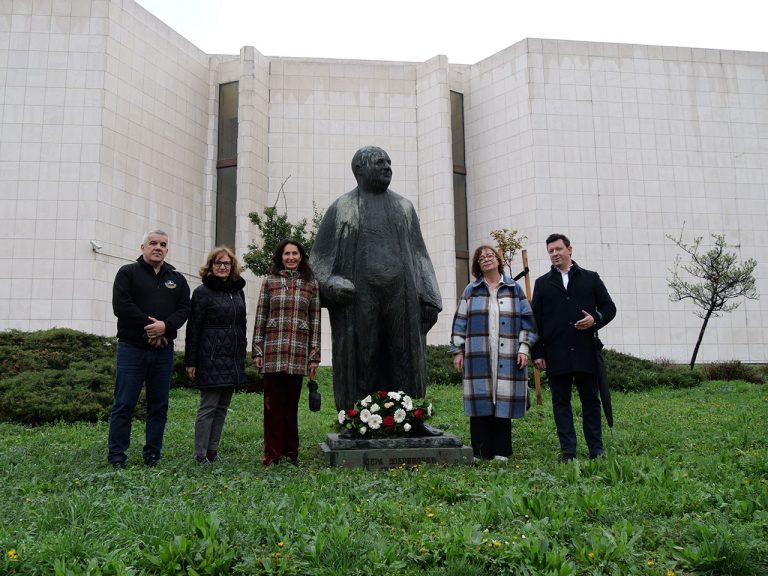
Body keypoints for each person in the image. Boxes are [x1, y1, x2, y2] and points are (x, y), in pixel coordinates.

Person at [309, 145, 442, 411]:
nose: (387, 167)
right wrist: (331, 284)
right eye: (380, 162)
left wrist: (430, 296)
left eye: (389, 162)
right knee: (364, 359)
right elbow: (317, 262)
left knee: (403, 357)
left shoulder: (404, 207)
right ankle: (358, 417)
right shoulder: (341, 208)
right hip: (359, 298)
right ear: (359, 169)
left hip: (401, 296)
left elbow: (419, 253)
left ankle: (408, 416)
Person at [108, 230, 191, 468]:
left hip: (163, 352)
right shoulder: (127, 273)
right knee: (124, 403)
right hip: (132, 349)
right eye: (153, 243)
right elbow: (121, 306)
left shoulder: (177, 279)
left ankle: (152, 454)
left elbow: (184, 309)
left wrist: (166, 327)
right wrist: (151, 326)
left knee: (159, 406)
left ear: (167, 250)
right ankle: (117, 456)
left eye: (163, 244)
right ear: (142, 247)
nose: (158, 247)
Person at [531, 233, 616, 461]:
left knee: (591, 401)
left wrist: (595, 319)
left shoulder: (590, 278)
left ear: (569, 249)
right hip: (556, 353)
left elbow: (609, 307)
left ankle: (596, 449)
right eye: (550, 251)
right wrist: (537, 352)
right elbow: (535, 321)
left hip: (585, 350)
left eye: (558, 249)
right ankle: (568, 451)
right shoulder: (542, 284)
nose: (555, 254)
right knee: (561, 403)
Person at [450, 246, 538, 461]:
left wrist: (524, 348)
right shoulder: (471, 290)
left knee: (503, 400)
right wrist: (458, 351)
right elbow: (460, 321)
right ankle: (480, 451)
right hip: (478, 354)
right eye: (481, 258)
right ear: (478, 266)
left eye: (490, 256)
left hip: (507, 354)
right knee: (481, 398)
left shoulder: (514, 289)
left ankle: (501, 451)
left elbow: (528, 322)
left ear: (498, 260)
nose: (486, 259)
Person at [252, 239, 321, 465]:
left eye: (295, 253)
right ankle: (273, 454)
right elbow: (261, 317)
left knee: (290, 407)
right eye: (286, 254)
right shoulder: (270, 282)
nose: (291, 257)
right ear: (280, 257)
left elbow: (315, 321)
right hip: (273, 351)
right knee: (272, 407)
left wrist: (314, 356)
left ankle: (291, 453)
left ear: (301, 257)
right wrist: (258, 350)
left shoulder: (311, 284)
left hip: (298, 353)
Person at [185, 246, 247, 464]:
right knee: (208, 407)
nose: (222, 266)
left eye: (226, 263)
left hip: (231, 358)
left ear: (232, 267)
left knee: (221, 409)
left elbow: (241, 326)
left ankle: (212, 451)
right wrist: (191, 361)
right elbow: (193, 328)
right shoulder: (202, 293)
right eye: (218, 263)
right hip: (209, 357)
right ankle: (201, 455)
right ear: (210, 266)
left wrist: (241, 357)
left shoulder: (238, 292)